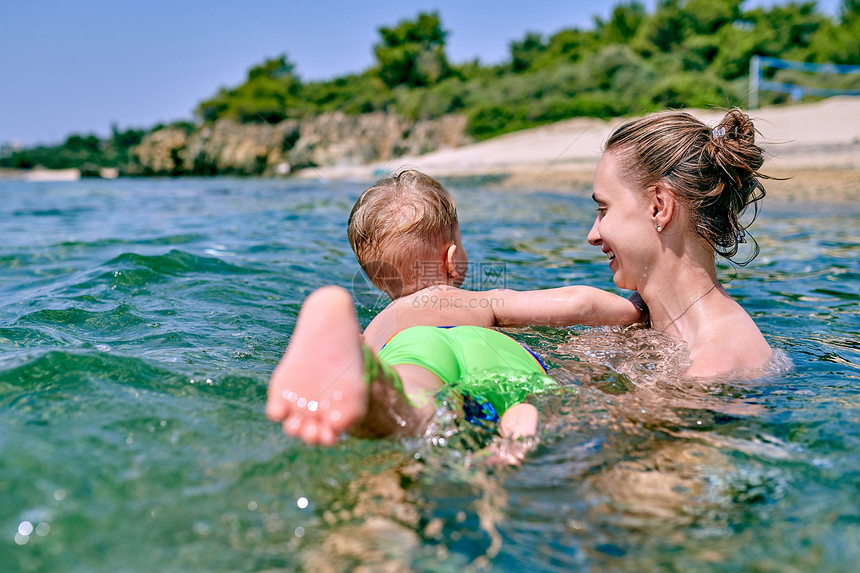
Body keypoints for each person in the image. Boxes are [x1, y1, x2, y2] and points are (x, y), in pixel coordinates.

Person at [266, 170, 645, 452]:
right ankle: (518, 426)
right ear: (452, 259)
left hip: (411, 352)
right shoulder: (475, 302)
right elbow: (577, 303)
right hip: (496, 355)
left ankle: (373, 388)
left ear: (377, 279)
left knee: (412, 402)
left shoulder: (380, 327)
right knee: (528, 398)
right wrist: (633, 311)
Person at [588, 108, 773, 377]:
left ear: (658, 207)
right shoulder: (644, 322)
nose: (593, 235)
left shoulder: (712, 368)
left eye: (603, 209)